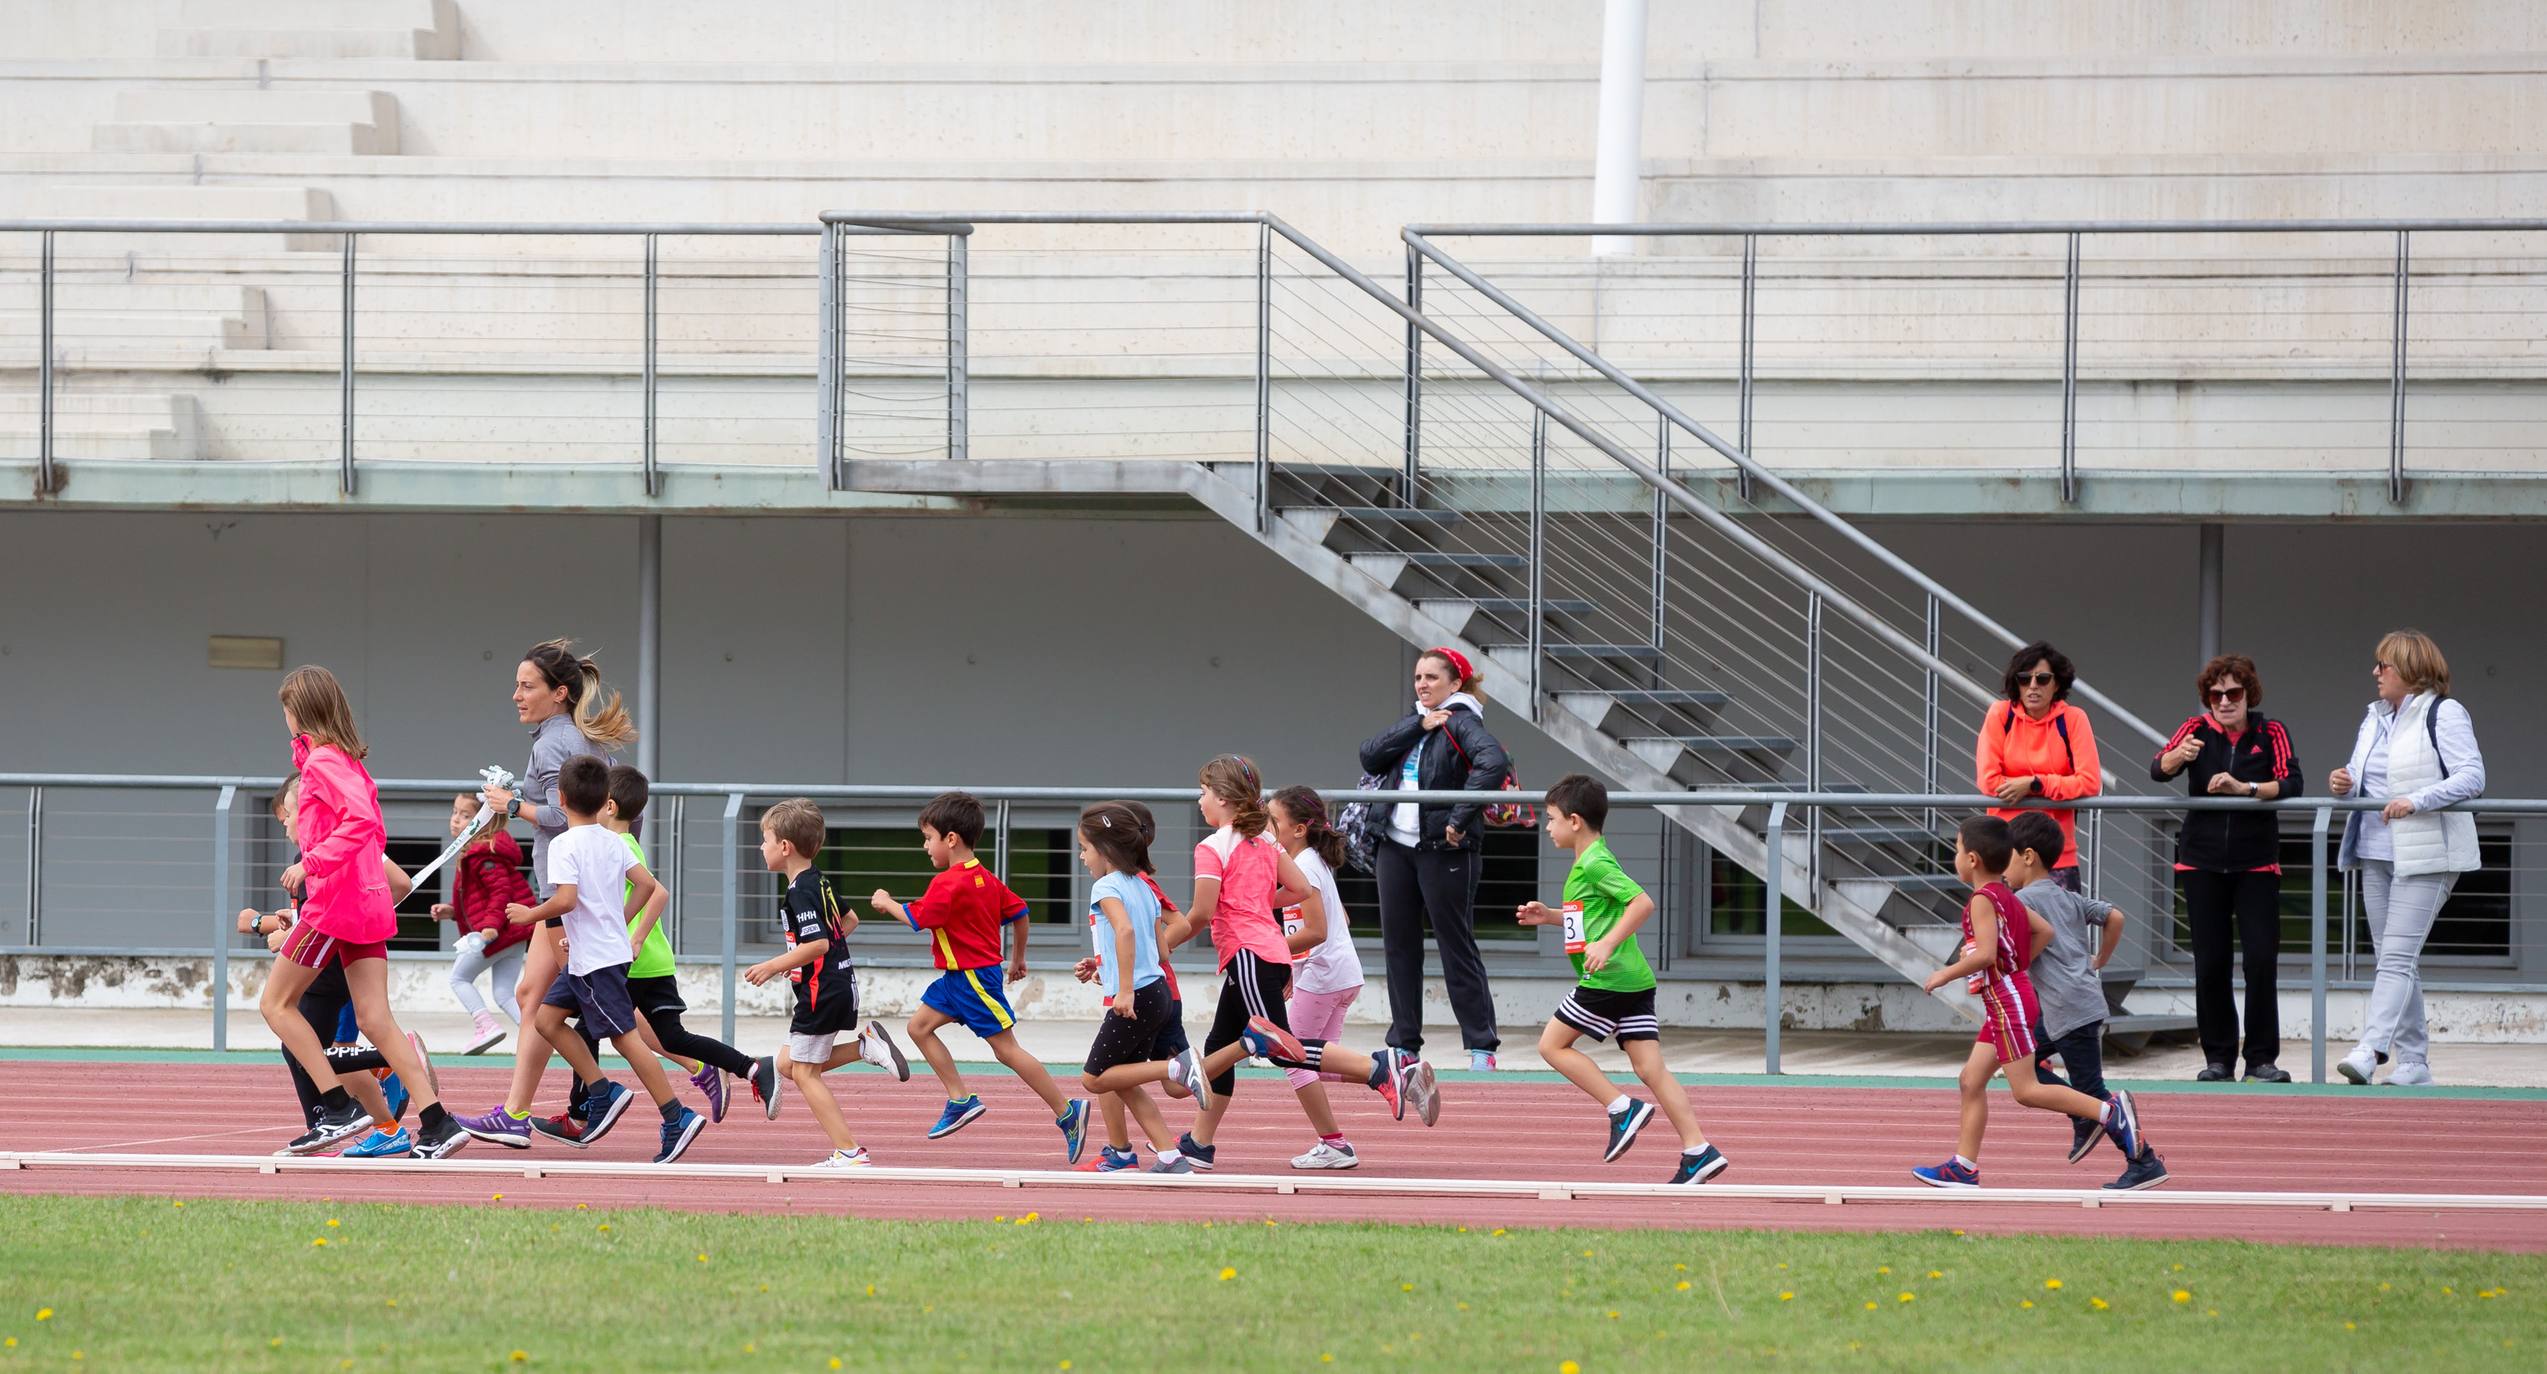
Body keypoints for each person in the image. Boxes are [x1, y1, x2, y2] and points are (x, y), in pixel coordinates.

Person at [1150, 757, 1435, 1175]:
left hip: (1247, 954)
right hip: (1268, 955)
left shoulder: (1211, 847)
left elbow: (1201, 915)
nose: (1200, 800)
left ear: (1224, 799)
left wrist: (1158, 951)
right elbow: (1299, 889)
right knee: (1219, 1047)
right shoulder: (1267, 843)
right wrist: (1256, 903)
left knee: (1280, 1049)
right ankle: (1199, 1144)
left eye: (1204, 791)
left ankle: (1380, 1069)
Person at [256, 666, 468, 1160]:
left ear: (300, 712)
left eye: (286, 709)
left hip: (335, 904)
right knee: (375, 1019)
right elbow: (369, 831)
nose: (283, 718)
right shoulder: (346, 761)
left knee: (275, 1005)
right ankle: (437, 1121)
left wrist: (312, 864)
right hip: (366, 903)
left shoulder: (323, 763)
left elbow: (364, 823)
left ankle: (336, 1107)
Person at [458, 755, 706, 1164]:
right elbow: (646, 886)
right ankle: (602, 1090)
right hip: (593, 956)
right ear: (603, 800)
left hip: (594, 961)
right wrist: (616, 924)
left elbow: (566, 899)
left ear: (559, 796)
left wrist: (529, 913)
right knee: (546, 1019)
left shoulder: (563, 844)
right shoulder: (612, 841)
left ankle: (675, 1115)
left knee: (626, 1038)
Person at [1909, 816, 2158, 1192]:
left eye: (1956, 850)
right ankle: (1964, 1167)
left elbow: (1987, 953)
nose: (1954, 858)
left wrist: (1946, 973)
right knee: (1970, 1080)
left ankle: (2108, 1112)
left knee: (2026, 1091)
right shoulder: (2005, 896)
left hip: (2009, 1001)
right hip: (2009, 997)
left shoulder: (1982, 899)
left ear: (1973, 859)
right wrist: (2016, 965)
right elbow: (2045, 931)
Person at [1514, 774, 1730, 1184]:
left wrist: (1608, 944)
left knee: (1551, 1045)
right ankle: (1698, 1149)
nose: (1547, 826)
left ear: (1575, 821)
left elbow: (1641, 902)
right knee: (1651, 1070)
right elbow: (1595, 915)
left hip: (1607, 980)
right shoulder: (1588, 861)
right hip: (1634, 981)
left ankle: (1621, 1108)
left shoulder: (1595, 861)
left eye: (1552, 818)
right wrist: (1552, 917)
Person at [471, 639, 637, 1138]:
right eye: (517, 686)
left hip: (566, 892)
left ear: (559, 692)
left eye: (527, 686)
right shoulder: (579, 740)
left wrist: (507, 805)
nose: (517, 695)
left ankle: (677, 1082)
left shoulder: (551, 744)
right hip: (578, 888)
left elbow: (561, 815)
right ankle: (520, 1112)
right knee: (533, 997)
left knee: (591, 1006)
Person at [870, 790, 1090, 1161]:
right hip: (957, 980)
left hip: (973, 980)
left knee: (1006, 1050)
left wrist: (886, 901)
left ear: (950, 839)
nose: (926, 847)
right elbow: (1021, 912)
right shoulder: (986, 878)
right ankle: (959, 1099)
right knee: (919, 1027)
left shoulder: (948, 883)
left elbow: (916, 919)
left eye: (928, 838)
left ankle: (1068, 1113)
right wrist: (1018, 959)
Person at [237, 772, 429, 1156]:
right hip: (338, 955)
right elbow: (394, 886)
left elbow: (390, 888)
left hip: (328, 963)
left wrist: (291, 937)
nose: (288, 825)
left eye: (288, 815)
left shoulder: (337, 848)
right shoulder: (346, 847)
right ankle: (385, 1126)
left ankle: (352, 1097)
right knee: (320, 1049)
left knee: (304, 1045)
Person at [605, 765, 805, 1129]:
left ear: (609, 806)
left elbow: (658, 893)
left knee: (585, 1025)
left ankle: (590, 1104)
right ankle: (752, 1067)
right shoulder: (625, 843)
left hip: (636, 960)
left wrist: (631, 937)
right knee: (671, 1036)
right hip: (651, 960)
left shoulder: (617, 845)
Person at [2333, 630, 2486, 1088]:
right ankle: (2415, 1062)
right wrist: (2346, 782)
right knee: (2396, 958)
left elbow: (2472, 776)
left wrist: (2416, 800)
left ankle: (2370, 1048)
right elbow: (2368, 777)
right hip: (2375, 851)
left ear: (2411, 670)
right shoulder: (2375, 717)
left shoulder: (2445, 712)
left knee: (2396, 958)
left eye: (2385, 665)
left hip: (2427, 855)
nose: (2375, 673)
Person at [1357, 647, 1510, 1070]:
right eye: (1418, 677)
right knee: (1399, 948)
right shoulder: (1418, 720)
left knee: (1455, 945)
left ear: (1455, 684)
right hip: (1395, 848)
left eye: (1432, 678)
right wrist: (1416, 725)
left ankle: (1481, 1047)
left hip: (1445, 850)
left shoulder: (1462, 720)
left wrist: (1460, 817)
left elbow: (1493, 762)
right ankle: (1403, 1043)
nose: (1422, 684)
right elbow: (1370, 755)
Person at [2150, 654, 2300, 1083]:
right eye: (2215, 695)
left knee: (2259, 960)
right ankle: (2217, 1058)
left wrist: (2244, 789)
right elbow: (2157, 769)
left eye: (2233, 693)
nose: (2224, 701)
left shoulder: (2271, 731)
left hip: (2256, 863)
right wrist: (2179, 756)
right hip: (2201, 862)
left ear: (2247, 695)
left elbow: (2292, 782)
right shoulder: (2194, 729)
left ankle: (2260, 1060)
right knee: (2211, 963)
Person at [2005, 812, 2165, 1189]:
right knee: (2015, 1059)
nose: (2003, 866)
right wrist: (2100, 960)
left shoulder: (2021, 900)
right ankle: (2082, 1115)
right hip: (2079, 1000)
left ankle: (2142, 1160)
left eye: (2007, 856)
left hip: (2068, 1008)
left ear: (2027, 856)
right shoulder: (2067, 896)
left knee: (2091, 1091)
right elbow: (2115, 916)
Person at [747, 797, 907, 1169]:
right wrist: (798, 962)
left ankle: (849, 1151)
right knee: (789, 1063)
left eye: (765, 839)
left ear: (784, 848)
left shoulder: (799, 891)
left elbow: (818, 943)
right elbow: (848, 922)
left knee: (804, 1072)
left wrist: (774, 964)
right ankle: (865, 1045)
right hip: (838, 984)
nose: (761, 847)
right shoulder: (820, 882)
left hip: (821, 993)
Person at [1069, 802, 1213, 1174]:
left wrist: (1126, 989)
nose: (1082, 857)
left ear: (1105, 849)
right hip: (1160, 991)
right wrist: (1106, 966)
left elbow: (1126, 931)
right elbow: (1161, 947)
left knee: (1094, 1079)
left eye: (1084, 848)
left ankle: (1176, 1068)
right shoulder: (1144, 889)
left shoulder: (1106, 886)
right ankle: (1169, 1156)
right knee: (1125, 1082)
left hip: (1140, 996)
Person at [1267, 786, 1371, 1170]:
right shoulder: (1313, 863)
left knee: (1288, 1056)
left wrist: (1274, 951)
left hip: (1325, 976)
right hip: (1339, 974)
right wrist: (1295, 965)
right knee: (1320, 1064)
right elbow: (1340, 919)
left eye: (1273, 821)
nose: (1265, 827)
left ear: (1299, 829)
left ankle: (1336, 1143)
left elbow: (1317, 931)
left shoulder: (1306, 867)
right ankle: (1398, 1072)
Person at [1974, 641, 2101, 891]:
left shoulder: (2073, 718)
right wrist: (2051, 786)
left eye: (2042, 678)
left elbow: (2089, 782)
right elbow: (1988, 781)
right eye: (2024, 678)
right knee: (2003, 930)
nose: (2033, 686)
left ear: (2056, 684)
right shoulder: (2000, 714)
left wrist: (2033, 784)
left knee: (2062, 931)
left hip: (2056, 855)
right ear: (2016, 683)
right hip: (2006, 854)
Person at [428, 790, 535, 1056]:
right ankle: (537, 1035)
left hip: (500, 931)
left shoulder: (484, 854)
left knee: (459, 977)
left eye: (465, 816)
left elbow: (501, 892)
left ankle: (485, 1026)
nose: (455, 820)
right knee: (503, 993)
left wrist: (490, 928)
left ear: (483, 821)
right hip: (512, 934)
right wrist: (452, 912)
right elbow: (480, 899)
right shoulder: (477, 852)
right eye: (455, 813)